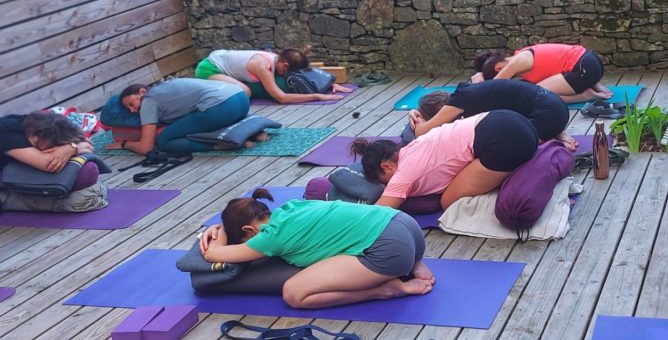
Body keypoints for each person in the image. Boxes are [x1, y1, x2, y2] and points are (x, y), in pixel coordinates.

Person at [198, 189, 434, 309]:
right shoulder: (294, 207)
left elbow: (212, 254)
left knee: (294, 294)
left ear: (249, 230)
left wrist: (218, 231)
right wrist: (222, 224)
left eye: (244, 240)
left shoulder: (269, 237)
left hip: (391, 250)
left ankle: (385, 290)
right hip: (407, 225)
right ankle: (415, 263)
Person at [352, 110, 539, 210]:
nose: (388, 186)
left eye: (385, 181)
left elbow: (379, 212)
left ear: (386, 166)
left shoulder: (403, 173)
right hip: (509, 119)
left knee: (448, 202)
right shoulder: (413, 145)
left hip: (505, 140)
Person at [408, 80, 576, 149]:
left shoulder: (459, 101)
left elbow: (421, 132)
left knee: (502, 148)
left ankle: (549, 141)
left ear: (440, 109)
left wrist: (416, 116)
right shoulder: (470, 92)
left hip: (548, 115)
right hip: (555, 106)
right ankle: (551, 134)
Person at [108, 78, 251, 155]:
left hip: (221, 107)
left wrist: (124, 144)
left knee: (164, 141)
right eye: (129, 109)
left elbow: (146, 148)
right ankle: (249, 131)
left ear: (142, 91)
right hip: (241, 98)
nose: (133, 110)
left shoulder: (148, 100)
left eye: (131, 103)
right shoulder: (168, 85)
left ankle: (220, 145)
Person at [194, 47, 351, 104]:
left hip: (224, 60)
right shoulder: (262, 66)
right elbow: (281, 98)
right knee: (244, 93)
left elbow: (305, 73)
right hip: (210, 69)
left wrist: (328, 85)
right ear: (284, 66)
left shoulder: (278, 59)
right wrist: (316, 96)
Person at [473, 44, 612, 103]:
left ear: (498, 68)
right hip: (591, 62)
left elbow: (492, 90)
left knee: (535, 94)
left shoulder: (517, 61)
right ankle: (595, 85)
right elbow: (559, 62)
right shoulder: (522, 53)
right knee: (529, 87)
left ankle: (584, 96)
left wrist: (477, 82)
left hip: (585, 69)